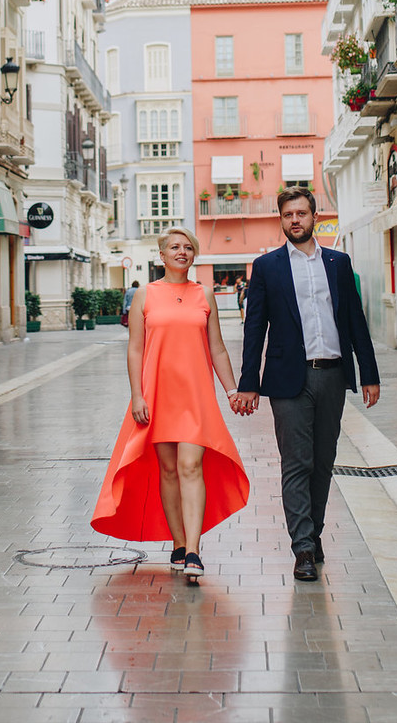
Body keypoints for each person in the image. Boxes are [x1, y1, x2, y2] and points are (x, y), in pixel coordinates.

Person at [229, 187, 379, 583]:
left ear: (315, 216)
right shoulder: (267, 268)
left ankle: (312, 531)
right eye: (287, 215)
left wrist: (370, 373)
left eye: (301, 213)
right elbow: (254, 329)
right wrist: (248, 383)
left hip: (332, 374)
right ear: (281, 220)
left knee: (323, 463)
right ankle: (303, 549)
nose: (294, 220)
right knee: (296, 463)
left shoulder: (338, 263)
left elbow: (354, 322)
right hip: (286, 380)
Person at [93, 228, 248, 585]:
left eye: (188, 247)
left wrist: (231, 390)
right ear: (161, 255)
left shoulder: (203, 294)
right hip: (157, 394)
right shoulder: (145, 295)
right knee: (168, 471)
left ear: (194, 255)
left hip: (195, 396)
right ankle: (178, 543)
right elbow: (135, 348)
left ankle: (193, 549)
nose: (182, 251)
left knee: (191, 465)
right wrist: (137, 395)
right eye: (175, 247)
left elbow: (218, 349)